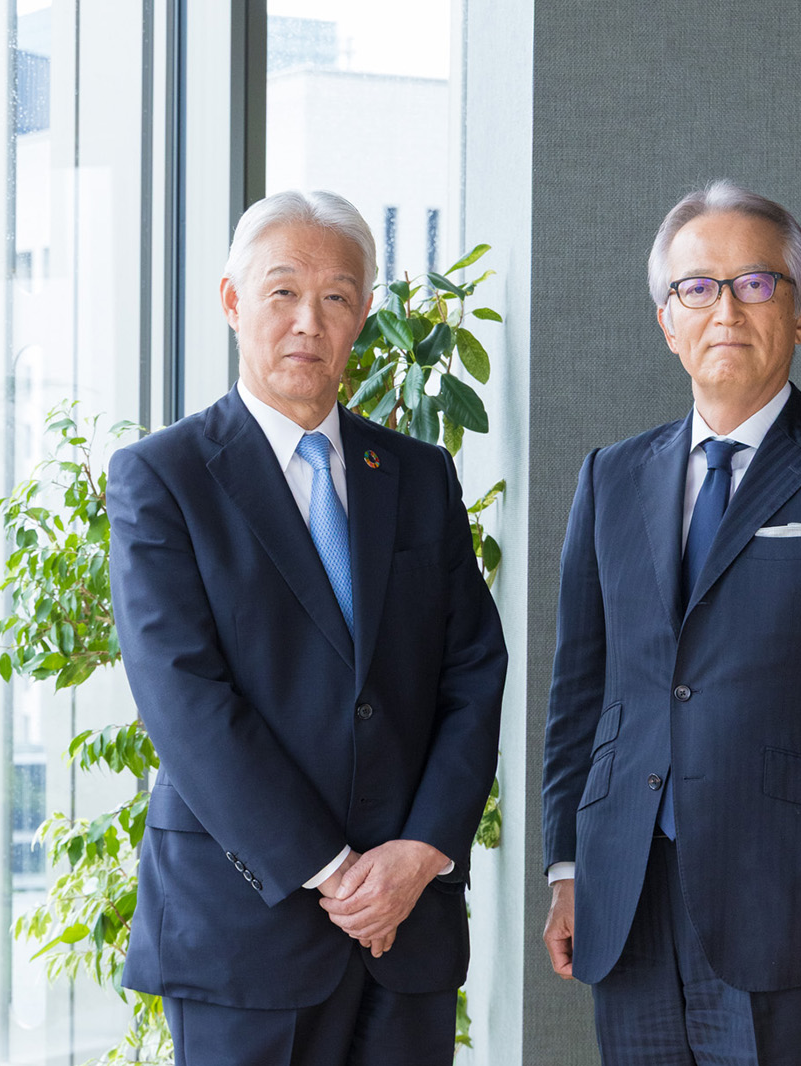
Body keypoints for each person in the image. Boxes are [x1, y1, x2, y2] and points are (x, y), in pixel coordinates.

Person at [106, 189, 507, 1066]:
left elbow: (474, 671)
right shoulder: (161, 478)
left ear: (364, 315)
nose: (306, 321)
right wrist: (331, 870)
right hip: (245, 925)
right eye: (281, 292)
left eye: (335, 297)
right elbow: (183, 698)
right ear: (231, 301)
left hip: (408, 929)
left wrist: (422, 852)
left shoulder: (418, 473)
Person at [539, 181, 801, 1064]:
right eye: (697, 287)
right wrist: (566, 867)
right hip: (625, 889)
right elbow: (580, 691)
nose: (725, 308)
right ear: (666, 321)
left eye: (756, 284)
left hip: (787, 894)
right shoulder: (609, 477)